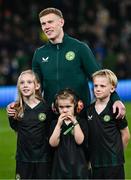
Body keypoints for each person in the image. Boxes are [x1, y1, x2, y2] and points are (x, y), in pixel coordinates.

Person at [7, 7, 125, 119]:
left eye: (50, 22)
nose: (46, 26)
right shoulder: (39, 53)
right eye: (43, 23)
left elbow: (99, 78)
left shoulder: (80, 48)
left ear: (61, 22)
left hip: (80, 115)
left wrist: (116, 99)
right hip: (52, 117)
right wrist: (19, 102)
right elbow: (35, 87)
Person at [8, 70, 52, 179]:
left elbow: (49, 132)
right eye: (22, 83)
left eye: (29, 82)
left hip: (43, 159)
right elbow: (16, 129)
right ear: (18, 87)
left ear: (37, 86)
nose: (25, 85)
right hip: (23, 159)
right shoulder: (16, 109)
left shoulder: (46, 108)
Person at [87, 69, 130, 179]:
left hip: (114, 164)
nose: (98, 89)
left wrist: (117, 155)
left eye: (102, 86)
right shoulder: (88, 110)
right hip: (95, 163)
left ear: (112, 88)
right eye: (96, 86)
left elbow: (126, 135)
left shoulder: (116, 109)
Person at [49, 88, 89, 179]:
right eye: (61, 107)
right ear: (56, 108)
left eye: (68, 106)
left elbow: (80, 141)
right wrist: (59, 125)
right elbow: (53, 143)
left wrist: (75, 122)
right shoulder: (55, 123)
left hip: (79, 167)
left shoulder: (81, 122)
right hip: (60, 167)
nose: (64, 110)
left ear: (75, 106)